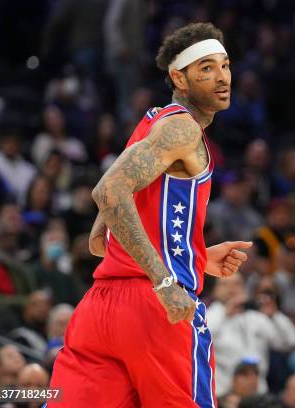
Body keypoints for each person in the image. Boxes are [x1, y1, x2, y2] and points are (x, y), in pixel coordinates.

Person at [48, 22, 253, 407]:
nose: (222, 77)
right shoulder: (182, 129)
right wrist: (163, 281)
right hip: (155, 310)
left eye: (224, 65)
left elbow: (100, 236)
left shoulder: (149, 125)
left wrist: (195, 255)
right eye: (205, 68)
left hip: (100, 309)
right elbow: (108, 192)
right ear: (179, 76)